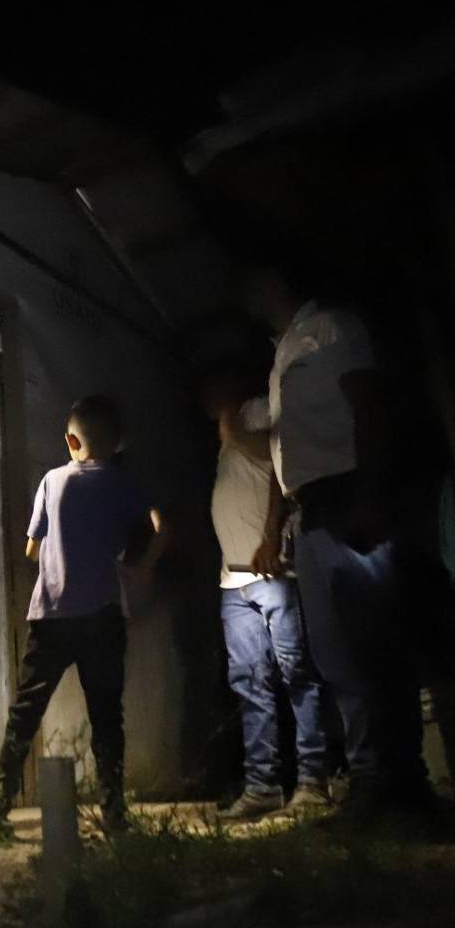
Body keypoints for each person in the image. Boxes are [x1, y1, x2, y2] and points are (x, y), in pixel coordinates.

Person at [243, 267, 433, 817]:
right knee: (335, 655)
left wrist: (372, 496)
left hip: (349, 495)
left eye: (252, 281)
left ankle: (402, 783)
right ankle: (372, 779)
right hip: (312, 511)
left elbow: (369, 406)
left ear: (275, 280)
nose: (244, 292)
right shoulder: (282, 353)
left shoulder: (330, 328)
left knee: (372, 645)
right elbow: (286, 450)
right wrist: (280, 524)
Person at [0, 395, 166, 834]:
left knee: (26, 711)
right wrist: (140, 566)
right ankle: (113, 811)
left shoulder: (51, 481)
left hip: (51, 615)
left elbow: (32, 549)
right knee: (107, 715)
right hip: (103, 615)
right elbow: (160, 527)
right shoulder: (123, 483)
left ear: (71, 440)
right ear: (117, 442)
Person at [201, 371, 328, 820]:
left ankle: (313, 780)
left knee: (296, 673)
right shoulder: (226, 432)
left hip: (272, 569)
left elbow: (278, 467)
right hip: (233, 579)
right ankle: (263, 785)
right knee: (249, 683)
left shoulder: (255, 410)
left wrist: (270, 536)